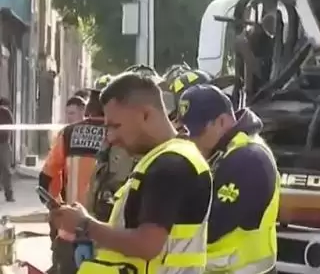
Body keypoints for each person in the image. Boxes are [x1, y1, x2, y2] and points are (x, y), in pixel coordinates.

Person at [50, 72, 213, 273]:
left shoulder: (170, 164)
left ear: (146, 114)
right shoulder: (163, 159)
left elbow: (147, 245)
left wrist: (85, 224)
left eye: (116, 126)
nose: (110, 138)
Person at [177, 84, 279, 273]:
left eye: (198, 132)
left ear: (223, 122)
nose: (192, 139)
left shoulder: (247, 158)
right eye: (187, 131)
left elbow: (214, 225)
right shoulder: (221, 151)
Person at [39, 90, 108, 274]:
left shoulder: (69, 133)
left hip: (70, 229)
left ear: (88, 110)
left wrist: (56, 208)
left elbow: (47, 176)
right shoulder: (120, 134)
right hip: (108, 234)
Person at [0, 97, 13, 202]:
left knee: (6, 170)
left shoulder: (5, 112)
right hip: (4, 143)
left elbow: (11, 125)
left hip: (3, 143)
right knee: (5, 170)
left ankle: (9, 194)